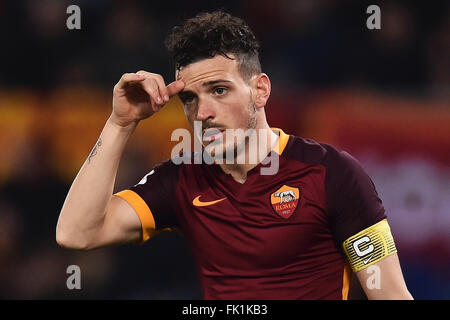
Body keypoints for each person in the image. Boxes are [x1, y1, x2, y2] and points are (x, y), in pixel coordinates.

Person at [56, 11, 413, 300]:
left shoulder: (332, 173)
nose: (202, 113)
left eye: (219, 90)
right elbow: (76, 233)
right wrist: (120, 124)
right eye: (190, 99)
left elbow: (391, 294)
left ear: (260, 91)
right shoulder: (181, 179)